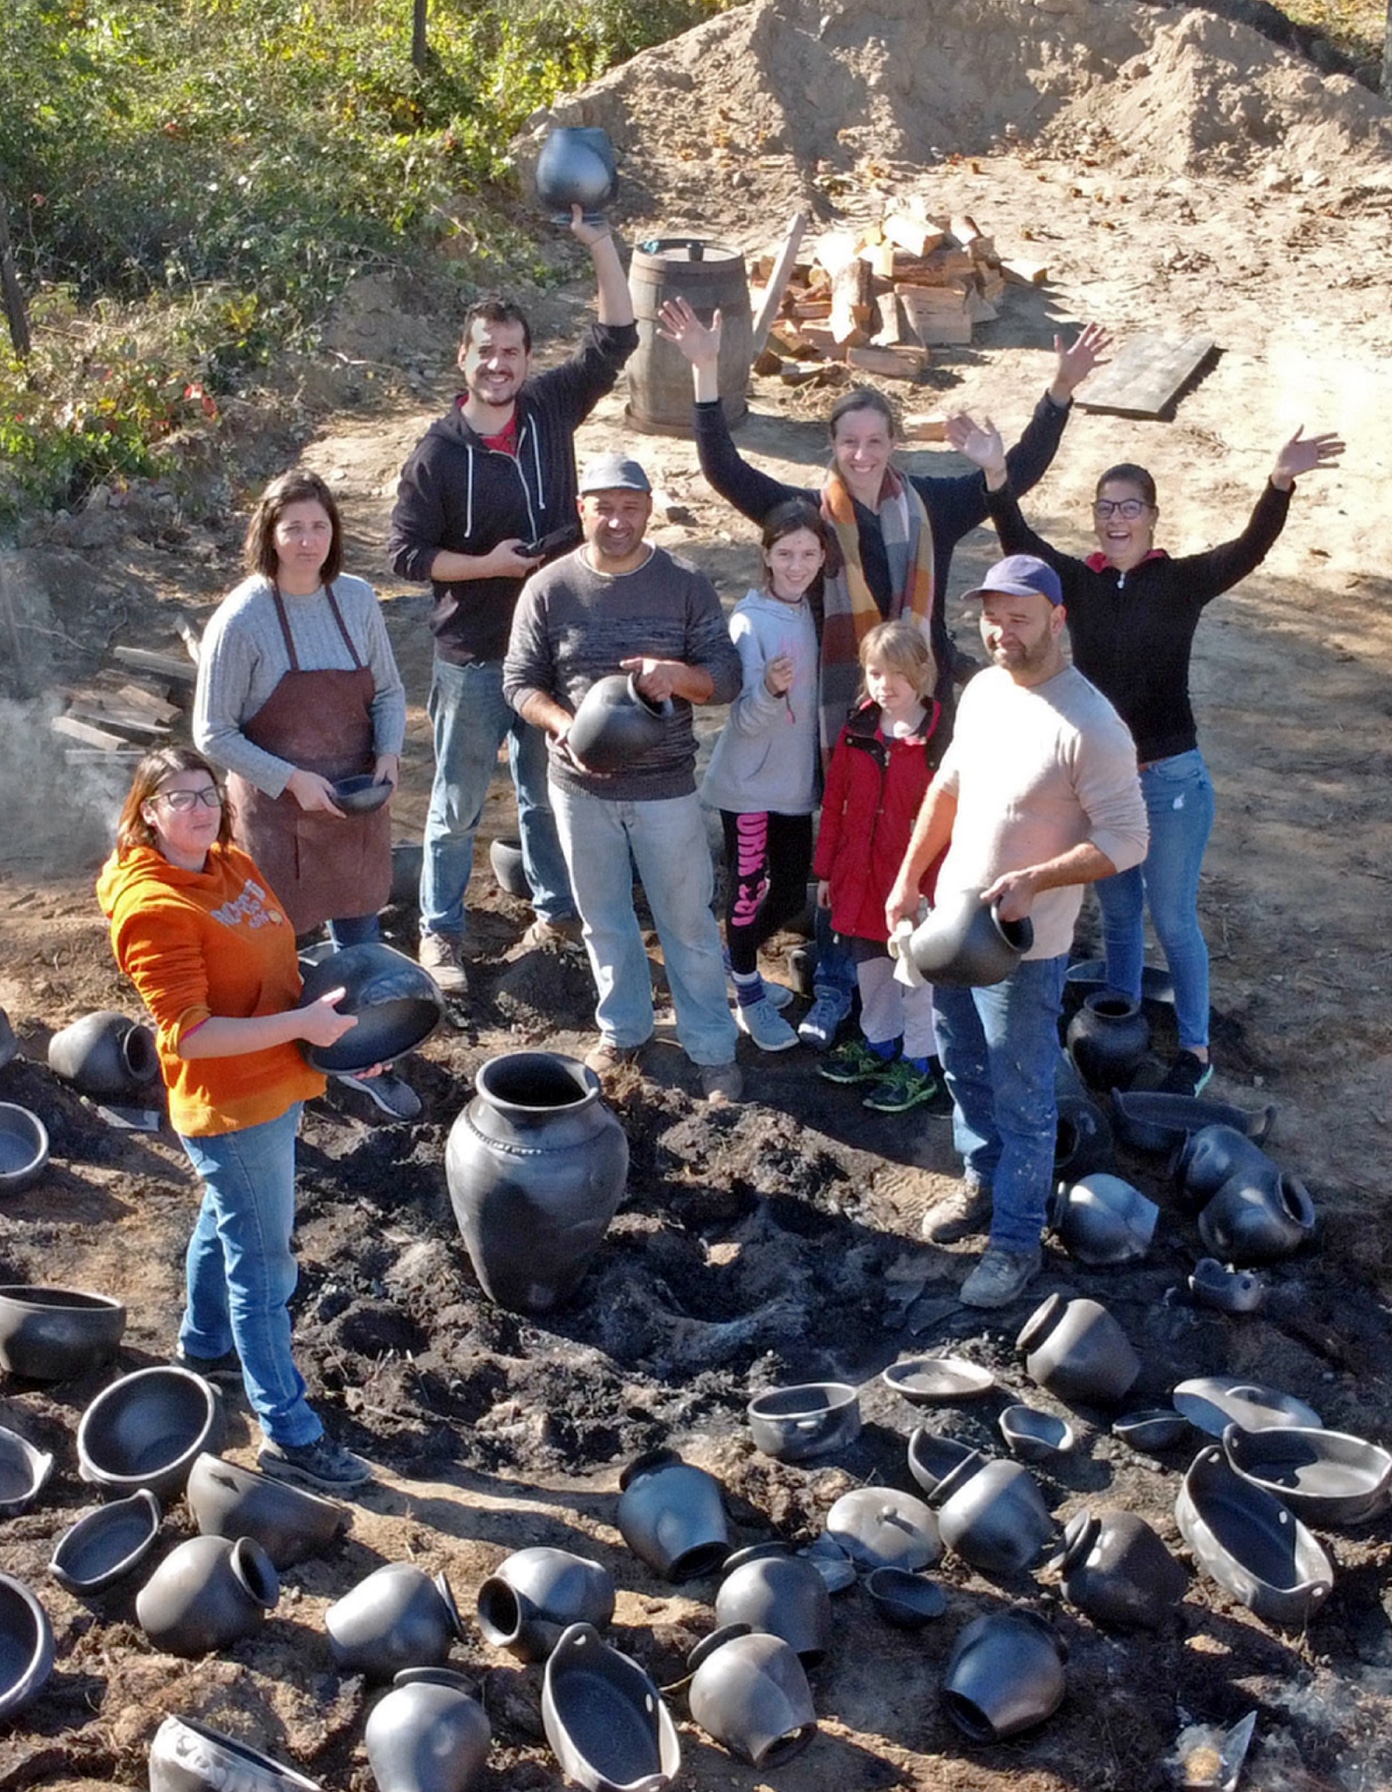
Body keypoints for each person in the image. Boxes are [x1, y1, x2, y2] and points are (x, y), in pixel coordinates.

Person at [658, 295, 1110, 1049]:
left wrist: (1058, 392)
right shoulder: (808, 514)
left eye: (875, 441)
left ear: (895, 442)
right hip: (842, 712)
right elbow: (724, 469)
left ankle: (918, 990)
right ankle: (841, 986)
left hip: (925, 712)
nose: (862, 455)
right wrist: (706, 373)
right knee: (847, 849)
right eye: (849, 442)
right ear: (832, 446)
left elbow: (1017, 472)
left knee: (916, 843)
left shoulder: (930, 504)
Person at [956, 419, 1345, 1095]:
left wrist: (1279, 481)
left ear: (1152, 517)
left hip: (1171, 781)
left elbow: (1250, 547)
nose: (1116, 519)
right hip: (1102, 786)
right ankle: (1120, 1020)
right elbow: (1020, 542)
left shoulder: (1182, 581)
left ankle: (1194, 1049)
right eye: (1105, 507)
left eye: (1129, 507)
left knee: (1172, 919)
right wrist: (995, 474)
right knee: (1116, 913)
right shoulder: (1077, 583)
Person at [97, 746, 374, 1493]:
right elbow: (188, 1034)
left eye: (208, 793)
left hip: (275, 1080)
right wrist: (302, 1030)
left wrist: (348, 1040)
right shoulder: (154, 909)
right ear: (147, 812)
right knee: (264, 1267)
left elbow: (278, 973)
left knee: (227, 1221)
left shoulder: (229, 864)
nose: (201, 808)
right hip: (230, 1104)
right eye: (180, 798)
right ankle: (289, 1432)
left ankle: (204, 1346)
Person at [388, 209, 639, 994]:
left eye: (511, 352)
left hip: (555, 651)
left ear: (529, 359)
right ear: (462, 358)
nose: (498, 365)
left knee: (546, 789)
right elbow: (404, 554)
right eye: (485, 351)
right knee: (456, 805)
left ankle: (556, 915)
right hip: (472, 658)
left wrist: (599, 243)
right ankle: (440, 933)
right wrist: (487, 566)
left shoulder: (551, 408)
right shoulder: (436, 454)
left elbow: (617, 337)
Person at [887, 555, 1148, 1309]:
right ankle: (981, 1182)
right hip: (950, 927)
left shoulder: (1090, 724)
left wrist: (1038, 880)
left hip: (1020, 949)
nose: (1001, 632)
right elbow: (948, 787)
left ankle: (1015, 1243)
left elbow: (1128, 838)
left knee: (1022, 1092)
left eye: (1019, 618)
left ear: (1056, 620)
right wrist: (909, 876)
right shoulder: (983, 691)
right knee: (962, 1067)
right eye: (991, 617)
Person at [502, 453, 744, 1103]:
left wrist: (678, 676)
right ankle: (623, 1030)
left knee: (688, 924)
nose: (617, 520)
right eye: (604, 507)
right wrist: (563, 725)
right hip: (579, 791)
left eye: (630, 507)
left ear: (649, 509)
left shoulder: (684, 583)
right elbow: (519, 682)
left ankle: (712, 1046)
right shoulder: (550, 588)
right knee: (604, 919)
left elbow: (726, 677)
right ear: (582, 510)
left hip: (666, 789)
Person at [194, 468, 416, 1120]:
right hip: (277, 818)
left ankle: (361, 1059)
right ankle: (275, 1069)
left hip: (355, 807)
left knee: (361, 942)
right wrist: (292, 780)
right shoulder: (243, 618)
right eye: (293, 528)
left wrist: (388, 753)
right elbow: (212, 732)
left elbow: (390, 692)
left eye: (319, 526)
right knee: (273, 953)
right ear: (269, 534)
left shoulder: (357, 600)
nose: (308, 541)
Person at [700, 499, 828, 1052]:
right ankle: (748, 990)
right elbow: (745, 721)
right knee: (748, 887)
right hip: (748, 786)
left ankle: (734, 961)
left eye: (808, 554)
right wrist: (772, 690)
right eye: (785, 554)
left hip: (796, 787)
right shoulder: (749, 622)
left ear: (823, 557)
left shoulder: (817, 614)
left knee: (792, 886)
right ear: (766, 556)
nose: (797, 566)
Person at [814, 619, 949, 1113]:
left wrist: (936, 887)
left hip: (914, 881)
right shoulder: (857, 731)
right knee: (871, 966)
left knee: (914, 974)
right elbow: (835, 803)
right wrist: (826, 870)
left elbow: (951, 820)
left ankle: (919, 1061)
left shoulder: (940, 740)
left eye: (897, 673)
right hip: (861, 877)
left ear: (922, 673)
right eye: (874, 673)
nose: (885, 685)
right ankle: (879, 1042)